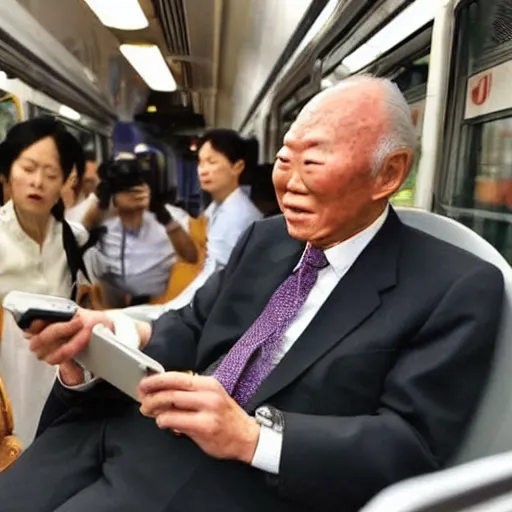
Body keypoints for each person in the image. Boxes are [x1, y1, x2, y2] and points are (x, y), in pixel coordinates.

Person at [0, 76, 504, 511]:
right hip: (132, 424)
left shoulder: (455, 285)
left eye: (314, 162)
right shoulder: (268, 238)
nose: (288, 184)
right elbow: (195, 323)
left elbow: (410, 444)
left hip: (237, 480)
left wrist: (250, 438)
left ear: (388, 174)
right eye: (285, 159)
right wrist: (110, 333)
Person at [0, 116, 90, 447]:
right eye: (27, 168)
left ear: (67, 180)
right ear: (8, 172)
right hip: (8, 381)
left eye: (51, 174)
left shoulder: (74, 239)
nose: (37, 182)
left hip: (61, 376)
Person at [123, 129, 262, 320]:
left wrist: (168, 314)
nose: (202, 170)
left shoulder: (236, 216)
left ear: (237, 167)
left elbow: (213, 281)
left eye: (212, 162)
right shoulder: (217, 207)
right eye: (200, 162)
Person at [85, 158, 198, 307]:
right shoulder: (104, 221)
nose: (133, 193)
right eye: (125, 188)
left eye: (137, 185)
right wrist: (102, 204)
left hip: (160, 304)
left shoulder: (172, 216)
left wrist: (162, 215)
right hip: (114, 308)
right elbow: (78, 237)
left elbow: (191, 256)